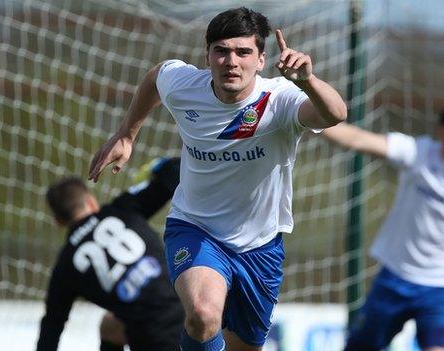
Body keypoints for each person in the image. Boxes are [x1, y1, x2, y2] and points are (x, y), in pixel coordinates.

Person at [87, 7, 347, 351]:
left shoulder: (280, 98)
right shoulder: (183, 86)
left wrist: (308, 81)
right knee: (202, 314)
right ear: (207, 56)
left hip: (260, 245)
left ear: (261, 59)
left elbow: (335, 114)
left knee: (243, 345)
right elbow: (155, 76)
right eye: (221, 51)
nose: (231, 61)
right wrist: (126, 134)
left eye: (243, 52)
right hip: (195, 228)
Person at [321, 102, 444, 351]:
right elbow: (356, 139)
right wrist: (307, 121)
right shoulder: (418, 152)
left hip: (443, 286)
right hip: (396, 277)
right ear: (442, 131)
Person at [37, 157, 185, 351]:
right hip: (191, 308)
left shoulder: (65, 267)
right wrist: (159, 166)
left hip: (153, 338)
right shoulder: (123, 208)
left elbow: (51, 327)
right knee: (111, 325)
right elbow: (175, 173)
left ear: (58, 221)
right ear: (91, 201)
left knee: (110, 325)